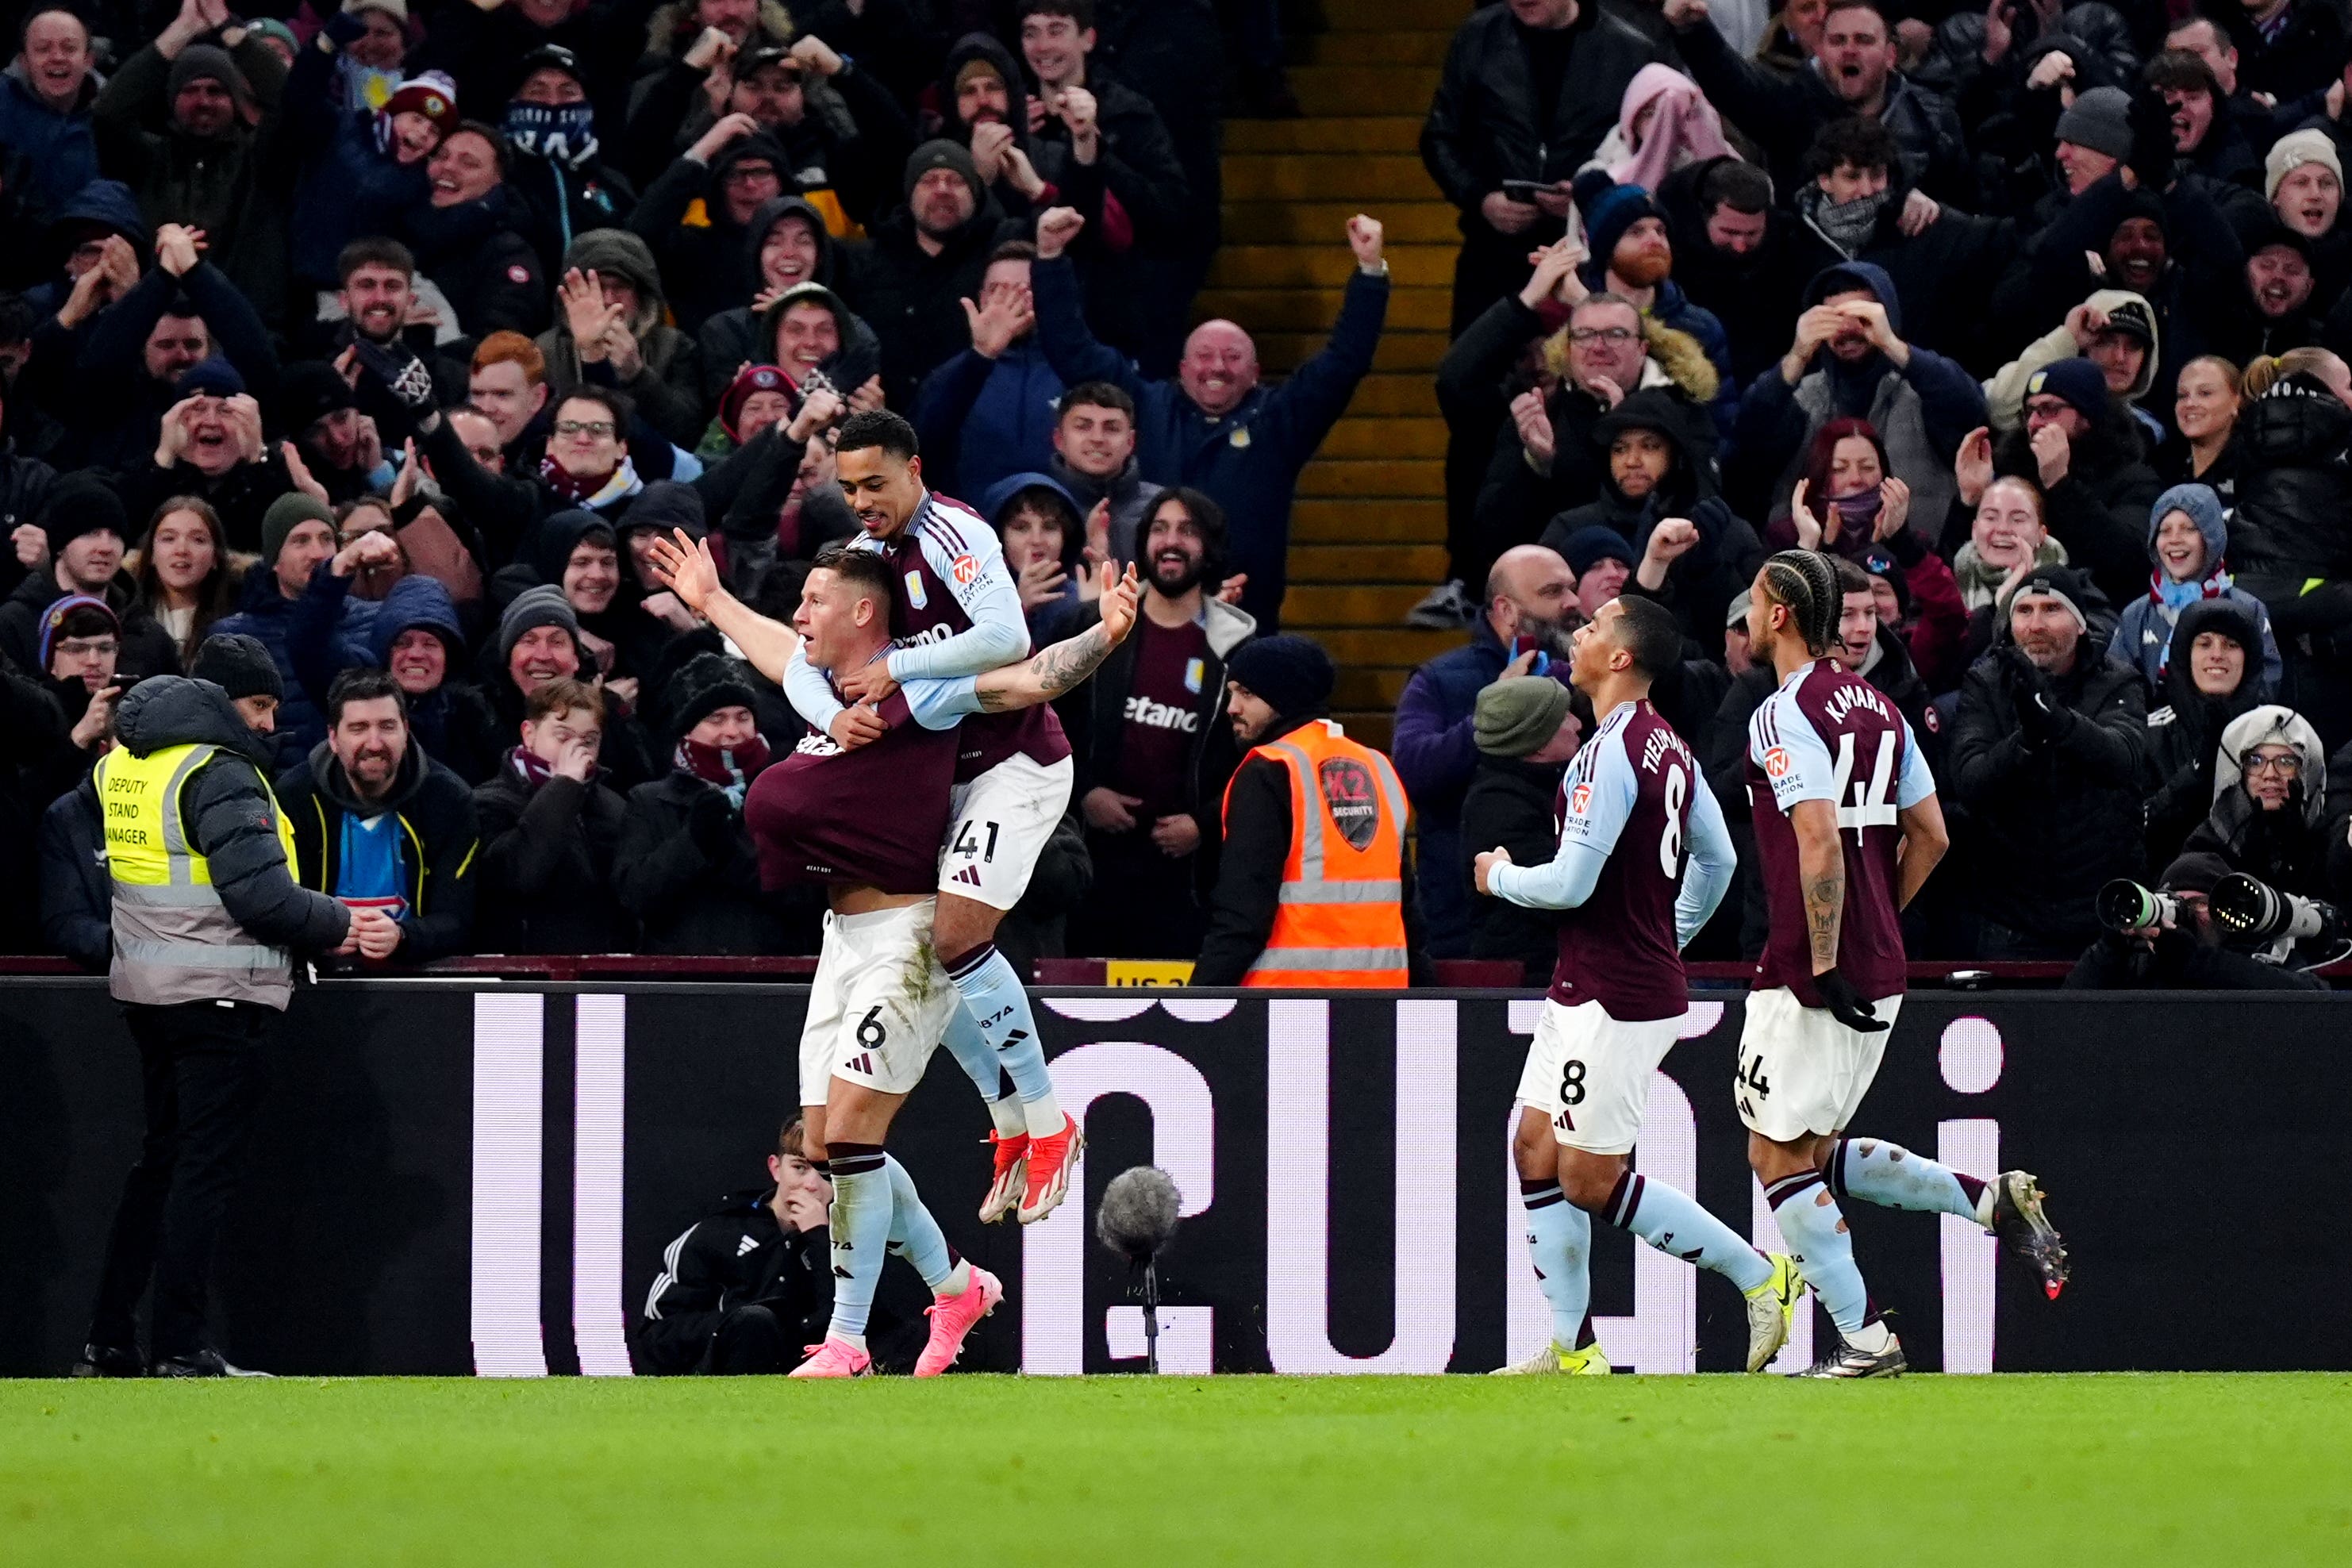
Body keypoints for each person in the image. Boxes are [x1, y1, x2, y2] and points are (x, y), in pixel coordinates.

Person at [641, 535, 1140, 1376]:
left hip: (908, 935)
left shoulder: (923, 686)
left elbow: (1025, 678)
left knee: (855, 1134)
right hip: (843, 935)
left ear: (863, 611)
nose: (799, 612)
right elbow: (772, 650)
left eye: (814, 600)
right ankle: (955, 1284)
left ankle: (846, 1339)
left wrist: (1104, 633)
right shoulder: (825, 687)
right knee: (830, 1142)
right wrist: (712, 599)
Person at [1735, 549, 2063, 1378]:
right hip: (1879, 958)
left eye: (1754, 598)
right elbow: (1934, 834)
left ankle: (1862, 1338)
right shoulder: (1880, 707)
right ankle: (1985, 1199)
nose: (1745, 611)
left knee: (1775, 1157)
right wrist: (1876, 920)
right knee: (1812, 1147)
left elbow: (1815, 835)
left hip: (1816, 966)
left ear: (1778, 613)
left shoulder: (1782, 712)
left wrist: (1824, 950)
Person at [776, 412, 1083, 1226]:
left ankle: (1051, 1121)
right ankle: (1010, 1117)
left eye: (876, 482)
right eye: (847, 488)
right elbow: (806, 663)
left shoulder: (956, 530)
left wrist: (896, 663)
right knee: (932, 951)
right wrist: (839, 714)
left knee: (952, 936)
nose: (862, 501)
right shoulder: (872, 560)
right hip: (946, 770)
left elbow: (1008, 635)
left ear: (915, 468)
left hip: (1018, 760)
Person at [1474, 595, 1793, 1377]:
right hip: (1594, 978)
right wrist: (1669, 933)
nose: (1578, 634)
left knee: (1588, 1176)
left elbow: (1571, 883)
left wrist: (1500, 875)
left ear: (1620, 658)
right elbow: (1717, 861)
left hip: (1615, 990)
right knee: (1534, 1145)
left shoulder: (1609, 751)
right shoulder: (1666, 748)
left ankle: (1760, 1273)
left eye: (1593, 628)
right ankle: (1572, 1349)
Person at [77, 636, 364, 1378]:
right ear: (220, 701)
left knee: (160, 1167)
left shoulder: (125, 764)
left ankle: (110, 1339)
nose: (269, 724)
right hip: (220, 994)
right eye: (260, 705)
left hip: (150, 992)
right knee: (199, 1174)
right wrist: (341, 922)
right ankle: (180, 1346)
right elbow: (259, 895)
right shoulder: (218, 769)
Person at [1029, 205, 1388, 628]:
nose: (1216, 367)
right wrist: (1050, 259)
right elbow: (1073, 349)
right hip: (1149, 619)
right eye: (1204, 356)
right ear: (1182, 368)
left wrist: (1370, 272)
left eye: (1232, 357)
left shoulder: (1280, 423)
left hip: (1247, 621)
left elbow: (1344, 362)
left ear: (1255, 374)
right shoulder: (1146, 405)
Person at [1063, 487, 1255, 959]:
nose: (1172, 542)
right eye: (1160, 529)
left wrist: (1204, 823)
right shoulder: (1092, 627)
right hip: (1093, 866)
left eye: (1188, 531)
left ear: (1208, 548)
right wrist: (1085, 792)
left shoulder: (1240, 648)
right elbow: (1048, 726)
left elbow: (1255, 761)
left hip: (1188, 878)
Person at [1418, 0, 1662, 333]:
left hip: (1586, 259)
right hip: (1492, 256)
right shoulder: (1478, 36)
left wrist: (1589, 201)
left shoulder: (1630, 51)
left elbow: (1650, 156)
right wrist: (1481, 199)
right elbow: (1439, 137)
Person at [1194, 634, 1422, 987]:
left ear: (1284, 697)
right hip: (1380, 1003)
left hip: (1288, 1005)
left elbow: (1242, 916)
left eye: (1246, 693)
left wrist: (1196, 1005)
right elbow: (1408, 908)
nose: (1231, 707)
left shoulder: (1269, 770)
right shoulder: (1378, 767)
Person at [1948, 565, 2150, 957]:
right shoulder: (1985, 684)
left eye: (2052, 609)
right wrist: (2028, 739)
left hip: (2102, 916)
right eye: (2024, 611)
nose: (2036, 624)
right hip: (2009, 918)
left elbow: (2122, 759)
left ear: (2079, 625)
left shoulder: (2118, 682)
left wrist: (2055, 720)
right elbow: (1970, 782)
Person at [1393, 544, 1578, 958]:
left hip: (1568, 921)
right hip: (1462, 922)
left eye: (1572, 589)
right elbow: (1415, 772)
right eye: (1553, 592)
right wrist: (1499, 705)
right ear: (1507, 610)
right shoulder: (1439, 680)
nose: (1574, 602)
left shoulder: (1580, 679)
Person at [1732, 261, 1983, 533]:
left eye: (1862, 318)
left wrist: (1892, 344)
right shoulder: (1804, 397)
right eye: (1834, 319)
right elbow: (1749, 437)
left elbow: (1971, 408)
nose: (1848, 329)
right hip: (1816, 561)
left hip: (1915, 560)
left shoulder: (1921, 390)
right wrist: (1797, 356)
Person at [276, 667, 480, 964]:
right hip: (314, 984)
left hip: (418, 981)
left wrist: (404, 936)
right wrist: (319, 933)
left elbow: (458, 918)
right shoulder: (293, 797)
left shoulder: (449, 799)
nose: (374, 744)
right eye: (358, 728)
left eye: (387, 726)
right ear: (333, 738)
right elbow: (277, 905)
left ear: (405, 730)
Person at [613, 650, 810, 954]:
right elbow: (634, 897)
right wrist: (692, 843)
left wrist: (734, 853)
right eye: (716, 719)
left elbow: (808, 897)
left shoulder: (786, 793)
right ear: (688, 728)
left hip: (772, 980)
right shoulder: (650, 801)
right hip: (680, 984)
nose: (732, 731)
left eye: (742, 717)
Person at [632, 1116, 836, 1375]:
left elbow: (858, 1324)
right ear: (775, 1168)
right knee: (755, 1323)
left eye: (826, 1173)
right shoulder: (719, 1233)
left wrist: (819, 1237)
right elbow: (656, 1334)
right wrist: (735, 1324)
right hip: (725, 1377)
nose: (812, 1185)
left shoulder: (853, 1239)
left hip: (810, 1374)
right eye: (800, 1168)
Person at [470, 676, 633, 953]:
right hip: (521, 976)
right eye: (563, 736)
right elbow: (519, 875)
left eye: (589, 740)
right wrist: (564, 789)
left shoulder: (614, 807)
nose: (577, 748)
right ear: (529, 734)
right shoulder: (488, 801)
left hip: (599, 975)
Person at [1458, 677, 1583, 978]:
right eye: (1564, 716)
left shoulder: (1550, 784)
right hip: (1527, 984)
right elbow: (1551, 893)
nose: (1578, 724)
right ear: (1537, 744)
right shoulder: (1497, 803)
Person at [2140, 599, 2272, 870]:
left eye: (2231, 645)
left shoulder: (2279, 733)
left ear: (2250, 659)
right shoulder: (2149, 733)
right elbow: (2137, 825)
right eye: (2204, 643)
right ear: (2183, 655)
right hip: (2166, 891)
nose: (2217, 654)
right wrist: (2199, 771)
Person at [2113, 484, 2281, 692]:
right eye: (2165, 531)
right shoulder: (2136, 615)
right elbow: (2117, 687)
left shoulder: (2247, 608)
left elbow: (2266, 683)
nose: (2174, 540)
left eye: (2189, 529)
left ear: (2211, 538)